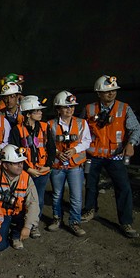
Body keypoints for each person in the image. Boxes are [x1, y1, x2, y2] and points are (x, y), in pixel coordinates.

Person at [81, 75, 140, 238]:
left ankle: (126, 222)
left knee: (123, 187)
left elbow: (136, 129)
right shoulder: (89, 109)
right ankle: (89, 210)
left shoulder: (124, 108)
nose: (111, 93)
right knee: (90, 185)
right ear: (98, 93)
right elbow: (78, 129)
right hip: (93, 155)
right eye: (107, 91)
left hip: (115, 156)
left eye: (114, 90)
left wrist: (131, 144)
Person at [47, 91, 91, 236]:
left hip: (75, 166)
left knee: (76, 196)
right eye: (66, 107)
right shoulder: (50, 124)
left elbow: (87, 141)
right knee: (57, 194)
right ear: (58, 109)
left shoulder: (81, 123)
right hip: (57, 165)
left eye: (71, 106)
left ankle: (75, 222)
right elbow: (46, 143)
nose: (70, 109)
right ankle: (56, 219)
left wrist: (74, 150)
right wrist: (56, 153)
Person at [0, 145, 41, 251]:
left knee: (28, 215)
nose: (20, 166)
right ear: (5, 165)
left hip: (18, 214)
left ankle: (16, 235)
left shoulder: (26, 178)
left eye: (21, 162)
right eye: (16, 163)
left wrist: (27, 226)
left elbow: (33, 203)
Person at [8, 96, 55, 221]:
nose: (40, 113)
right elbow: (15, 153)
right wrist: (28, 169)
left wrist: (48, 166)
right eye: (37, 111)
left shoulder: (45, 127)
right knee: (21, 199)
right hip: (24, 172)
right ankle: (21, 223)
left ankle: (33, 224)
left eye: (40, 111)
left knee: (38, 199)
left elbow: (51, 149)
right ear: (28, 114)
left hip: (42, 171)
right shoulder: (16, 130)